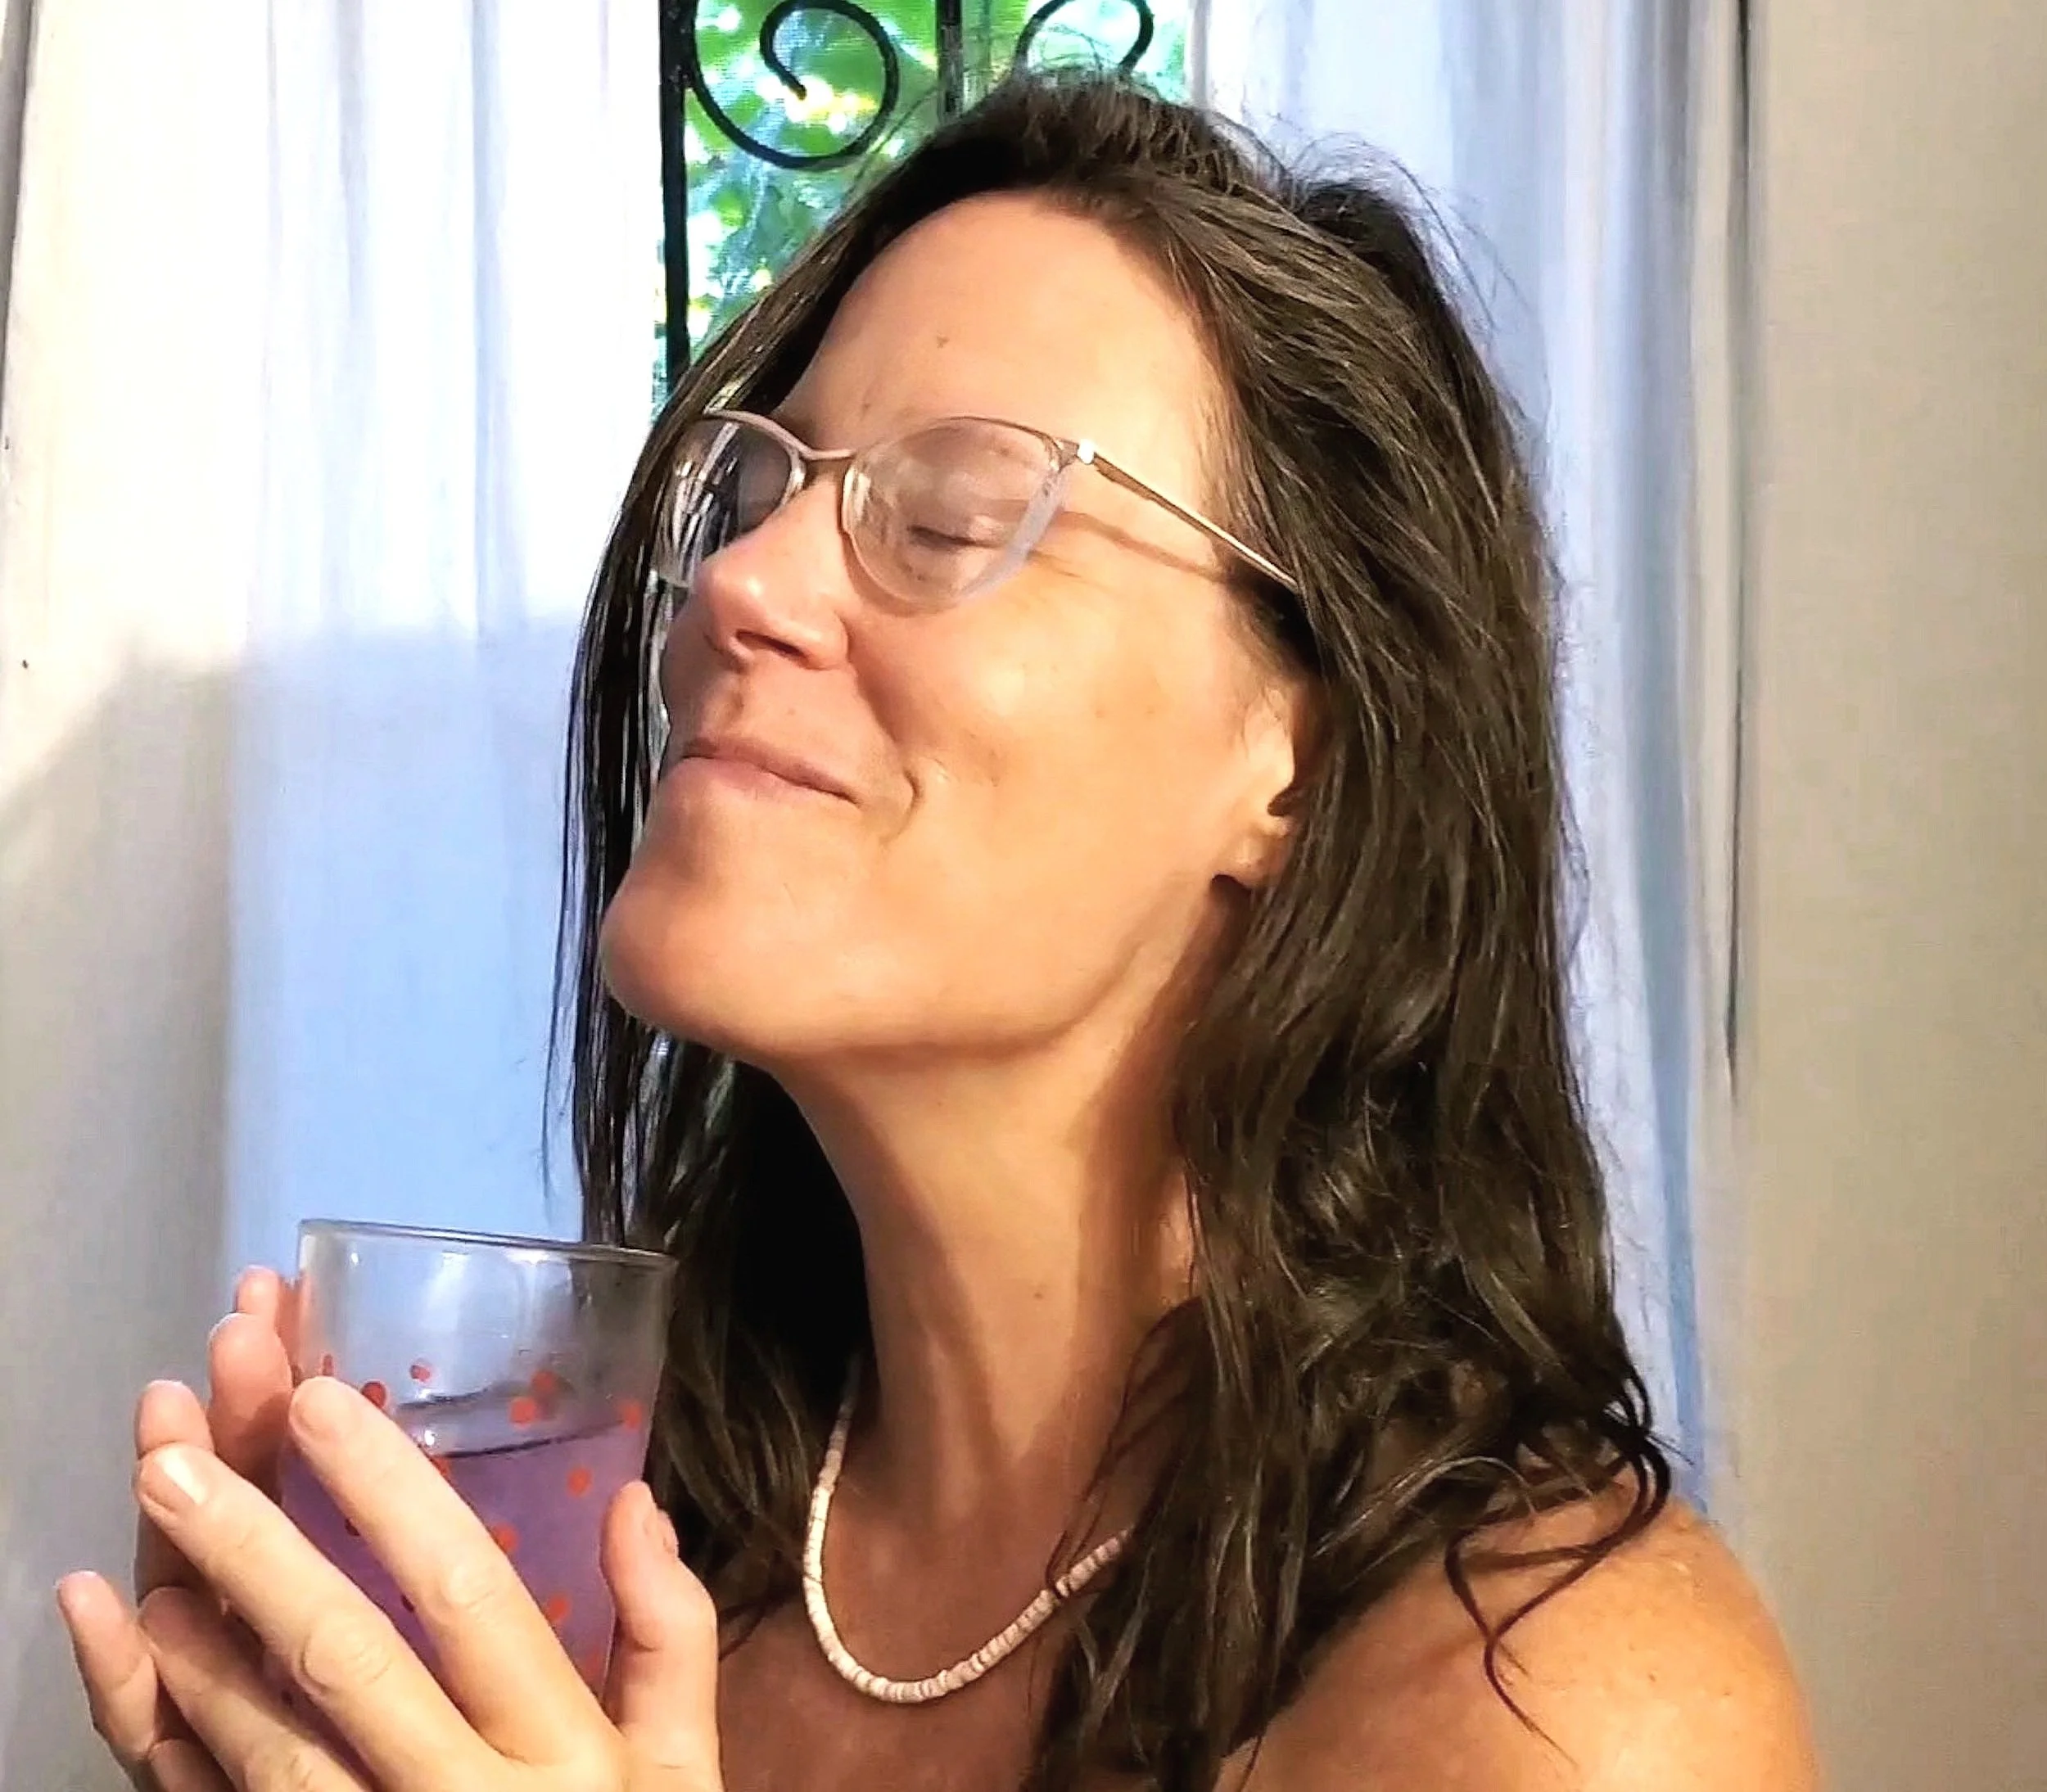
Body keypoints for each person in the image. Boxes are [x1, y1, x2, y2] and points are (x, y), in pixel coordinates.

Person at [58, 72, 1814, 1792]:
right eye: (753, 495)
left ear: (1292, 762)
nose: (741, 584)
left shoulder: (1559, 1712)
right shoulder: (601, 1553)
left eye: (957, 513)